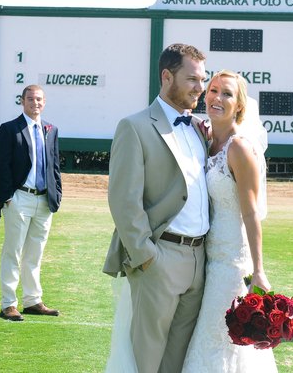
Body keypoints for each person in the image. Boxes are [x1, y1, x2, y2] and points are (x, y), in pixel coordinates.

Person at [103, 43, 209, 373]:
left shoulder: (198, 129)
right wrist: (147, 256)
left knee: (178, 360)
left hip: (200, 260)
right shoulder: (134, 127)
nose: (200, 88)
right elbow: (123, 199)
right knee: (146, 361)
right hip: (160, 257)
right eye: (192, 79)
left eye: (202, 79)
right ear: (167, 76)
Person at [182, 71, 276, 372]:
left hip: (231, 263)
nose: (217, 98)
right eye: (213, 90)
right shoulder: (205, 141)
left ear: (239, 106)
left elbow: (250, 213)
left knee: (221, 339)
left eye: (226, 94)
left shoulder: (240, 148)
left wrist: (259, 271)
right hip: (205, 257)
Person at [0, 84, 62, 321]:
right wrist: (7, 197)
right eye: (31, 99)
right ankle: (8, 303)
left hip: (44, 201)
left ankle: (33, 300)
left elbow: (54, 165)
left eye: (39, 99)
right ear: (22, 101)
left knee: (35, 253)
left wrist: (57, 194)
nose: (35, 103)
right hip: (19, 198)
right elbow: (1, 165)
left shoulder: (51, 129)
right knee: (12, 252)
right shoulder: (9, 129)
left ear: (44, 102)